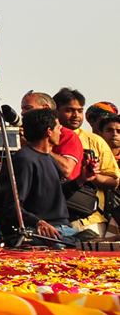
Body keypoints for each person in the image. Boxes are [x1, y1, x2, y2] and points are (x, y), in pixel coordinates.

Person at [54, 89, 119, 240]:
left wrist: (90, 175)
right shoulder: (45, 139)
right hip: (52, 221)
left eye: (79, 110)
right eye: (69, 110)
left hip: (90, 221)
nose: (76, 115)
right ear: (55, 111)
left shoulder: (95, 141)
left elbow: (113, 182)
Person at [13, 109, 78, 246]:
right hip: (43, 231)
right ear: (49, 131)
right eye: (58, 128)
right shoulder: (25, 159)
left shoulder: (49, 158)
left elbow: (56, 196)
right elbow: (12, 205)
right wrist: (38, 222)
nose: (60, 132)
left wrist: (82, 179)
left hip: (64, 230)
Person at [22, 92, 84, 180]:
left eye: (28, 108)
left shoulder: (68, 135)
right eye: (22, 109)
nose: (23, 113)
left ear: (46, 108)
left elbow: (66, 170)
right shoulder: (22, 135)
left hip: (63, 191)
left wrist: (36, 146)